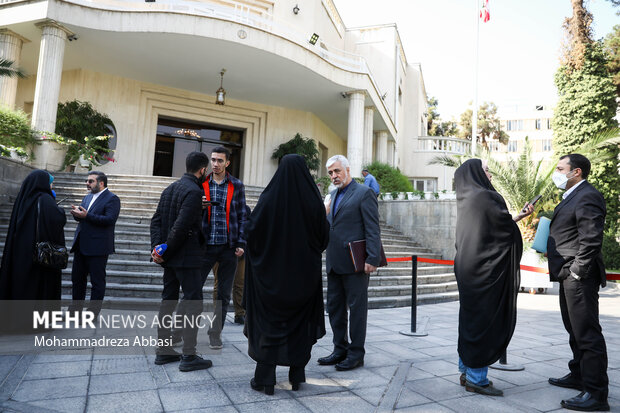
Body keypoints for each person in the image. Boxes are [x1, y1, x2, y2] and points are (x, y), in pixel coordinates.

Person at [244, 154, 328, 395]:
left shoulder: (269, 198)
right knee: (299, 325)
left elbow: (252, 232)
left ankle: (265, 380)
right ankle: (296, 375)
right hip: (304, 278)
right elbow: (324, 238)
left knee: (270, 325)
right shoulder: (313, 200)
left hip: (271, 278)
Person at [454, 159, 533, 397]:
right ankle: (477, 378)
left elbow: (490, 228)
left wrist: (516, 218)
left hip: (468, 268)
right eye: (487, 170)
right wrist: (515, 225)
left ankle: (467, 372)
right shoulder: (488, 197)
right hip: (486, 272)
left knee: (470, 320)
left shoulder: (467, 198)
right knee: (484, 323)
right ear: (477, 173)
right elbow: (502, 233)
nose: (490, 175)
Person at [547, 154, 609, 412]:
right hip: (567, 274)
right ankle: (579, 376)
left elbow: (591, 238)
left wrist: (576, 271)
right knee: (574, 330)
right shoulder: (572, 195)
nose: (557, 172)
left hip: (578, 277)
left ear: (577, 172)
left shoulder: (588, 196)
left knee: (587, 333)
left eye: (561, 168)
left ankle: (596, 394)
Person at [150, 151, 213, 371]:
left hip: (170, 259)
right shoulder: (194, 191)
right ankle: (188, 355)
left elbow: (156, 221)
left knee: (168, 300)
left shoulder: (170, 189)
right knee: (193, 302)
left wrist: (158, 249)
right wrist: (164, 249)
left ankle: (163, 350)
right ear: (202, 170)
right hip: (186, 258)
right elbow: (181, 226)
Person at [318, 155, 381, 371]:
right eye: (330, 173)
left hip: (356, 263)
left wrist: (372, 258)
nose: (334, 176)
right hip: (334, 262)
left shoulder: (364, 193)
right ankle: (339, 349)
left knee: (357, 310)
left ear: (347, 169)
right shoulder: (331, 195)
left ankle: (356, 354)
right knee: (335, 308)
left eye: (337, 171)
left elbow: (372, 228)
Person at [0, 170, 67, 331]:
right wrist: (61, 210)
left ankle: (17, 321)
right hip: (39, 256)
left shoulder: (25, 199)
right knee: (39, 287)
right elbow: (56, 220)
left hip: (21, 253)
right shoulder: (45, 199)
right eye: (50, 182)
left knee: (22, 286)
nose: (51, 185)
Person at [201, 146, 247, 349]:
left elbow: (243, 216)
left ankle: (215, 333)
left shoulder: (236, 185)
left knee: (223, 294)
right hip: (205, 247)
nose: (216, 164)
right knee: (193, 289)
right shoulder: (201, 183)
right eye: (213, 160)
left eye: (220, 160)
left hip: (228, 248)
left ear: (227, 163)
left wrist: (241, 242)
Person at [68, 171, 120, 317]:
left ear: (101, 183)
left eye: (91, 181)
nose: (87, 183)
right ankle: (75, 311)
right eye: (87, 181)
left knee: (97, 282)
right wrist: (77, 215)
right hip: (81, 245)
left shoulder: (112, 199)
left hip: (98, 247)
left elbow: (109, 220)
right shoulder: (87, 197)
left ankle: (92, 313)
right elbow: (84, 219)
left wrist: (86, 215)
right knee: (77, 280)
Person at [212, 204, 251, 325]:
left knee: (240, 283)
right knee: (219, 284)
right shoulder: (218, 207)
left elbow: (248, 228)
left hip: (241, 252)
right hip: (220, 251)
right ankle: (217, 314)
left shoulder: (245, 209)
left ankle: (240, 314)